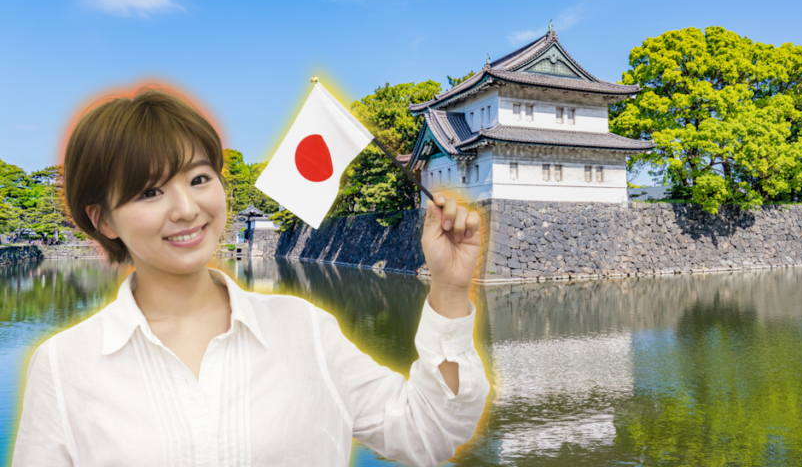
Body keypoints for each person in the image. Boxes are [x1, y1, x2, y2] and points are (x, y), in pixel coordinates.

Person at [12, 88, 489, 466]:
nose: (186, 209)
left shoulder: (303, 329)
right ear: (104, 220)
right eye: (150, 192)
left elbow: (429, 433)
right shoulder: (63, 366)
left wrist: (448, 289)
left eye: (199, 179)